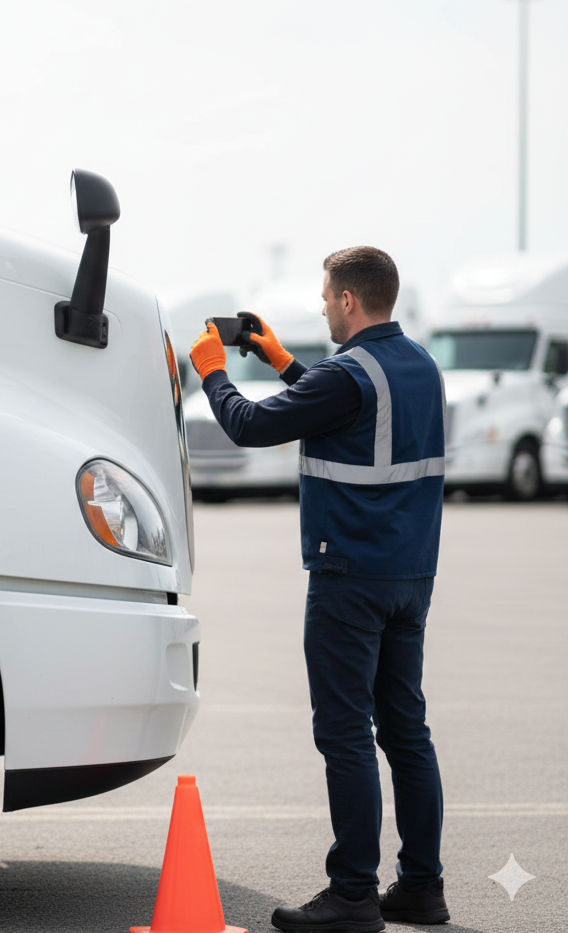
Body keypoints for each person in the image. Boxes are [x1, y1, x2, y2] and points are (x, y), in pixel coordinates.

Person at [189, 247, 450, 933]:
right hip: (410, 576)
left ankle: (353, 896)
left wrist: (214, 372)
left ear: (349, 302)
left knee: (344, 734)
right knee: (406, 731)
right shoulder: (420, 366)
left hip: (349, 580)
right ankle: (421, 887)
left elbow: (250, 426)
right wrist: (280, 361)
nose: (322, 306)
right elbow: (351, 413)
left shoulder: (346, 373)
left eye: (326, 296)